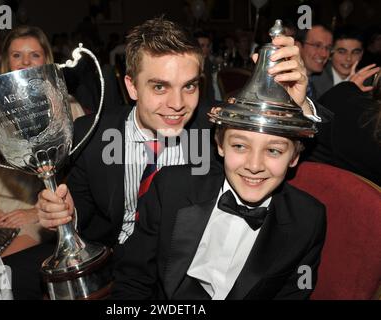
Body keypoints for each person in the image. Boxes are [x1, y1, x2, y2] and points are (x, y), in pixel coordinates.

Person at [3, 17, 320, 299]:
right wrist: (63, 214)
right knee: (8, 276)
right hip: (107, 254)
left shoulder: (220, 127)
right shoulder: (92, 132)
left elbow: (290, 157)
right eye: (160, 87)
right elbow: (82, 214)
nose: (178, 104)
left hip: (178, 266)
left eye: (189, 86)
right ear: (132, 86)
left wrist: (296, 104)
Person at [111, 77, 327, 300]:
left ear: (294, 158)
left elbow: (298, 290)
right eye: (240, 146)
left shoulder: (308, 220)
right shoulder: (170, 188)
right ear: (220, 145)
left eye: (273, 151)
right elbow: (133, 278)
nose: (254, 166)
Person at [0, 26, 84, 258]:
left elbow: (81, 177)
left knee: (0, 267)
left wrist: (34, 212)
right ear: (6, 62)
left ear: (46, 59)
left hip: (42, 214)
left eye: (35, 55)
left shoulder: (68, 107)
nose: (25, 62)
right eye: (17, 55)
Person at [311, 26, 374, 99]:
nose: (348, 58)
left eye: (355, 52)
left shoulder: (369, 83)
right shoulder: (314, 78)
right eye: (342, 52)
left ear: (361, 54)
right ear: (331, 53)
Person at [295, 24, 333, 100]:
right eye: (317, 45)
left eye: (328, 48)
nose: (324, 54)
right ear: (298, 46)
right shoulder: (283, 81)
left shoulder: (323, 84)